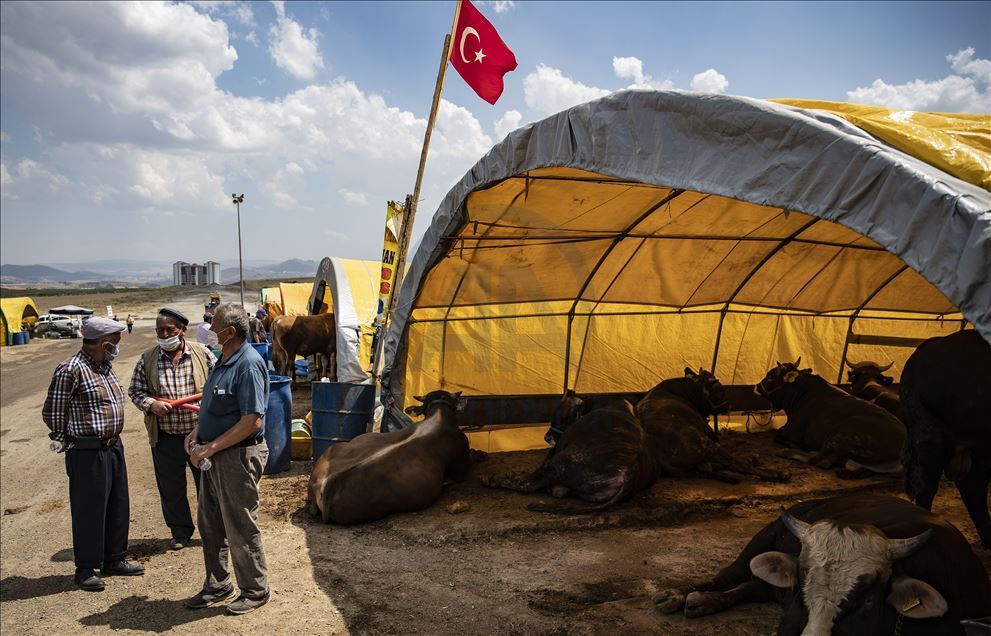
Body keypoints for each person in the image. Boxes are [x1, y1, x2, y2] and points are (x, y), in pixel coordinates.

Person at [42, 316, 145, 592]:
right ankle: (85, 568)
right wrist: (68, 440)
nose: (118, 347)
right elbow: (52, 412)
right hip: (87, 451)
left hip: (112, 447)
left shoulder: (105, 367)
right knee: (89, 510)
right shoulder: (70, 369)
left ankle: (114, 559)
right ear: (105, 343)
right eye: (116, 342)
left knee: (117, 504)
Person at [184, 303, 270, 615]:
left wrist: (211, 446)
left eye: (214, 325)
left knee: (239, 525)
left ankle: (255, 590)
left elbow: (252, 421)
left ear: (229, 332)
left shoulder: (247, 364)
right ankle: (218, 583)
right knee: (210, 524)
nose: (209, 329)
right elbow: (218, 407)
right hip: (216, 455)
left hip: (236, 457)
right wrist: (197, 433)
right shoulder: (225, 359)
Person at [128, 308, 215, 551]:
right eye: (160, 330)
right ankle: (180, 532)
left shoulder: (202, 354)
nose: (165, 335)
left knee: (208, 487)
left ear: (182, 331)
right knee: (171, 489)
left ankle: (213, 530)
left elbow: (219, 385)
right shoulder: (147, 359)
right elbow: (135, 391)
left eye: (170, 330)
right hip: (165, 438)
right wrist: (151, 404)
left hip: (200, 436)